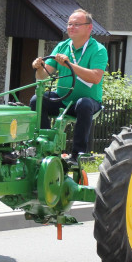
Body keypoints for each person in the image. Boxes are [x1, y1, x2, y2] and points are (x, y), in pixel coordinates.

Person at [30, 9, 108, 163]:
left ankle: (77, 155)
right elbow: (42, 77)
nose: (71, 27)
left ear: (89, 28)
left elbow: (95, 78)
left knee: (84, 104)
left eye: (77, 24)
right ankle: (45, 148)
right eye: (69, 24)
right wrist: (39, 67)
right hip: (64, 99)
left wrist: (69, 64)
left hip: (87, 102)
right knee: (37, 100)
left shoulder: (99, 49)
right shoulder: (62, 46)